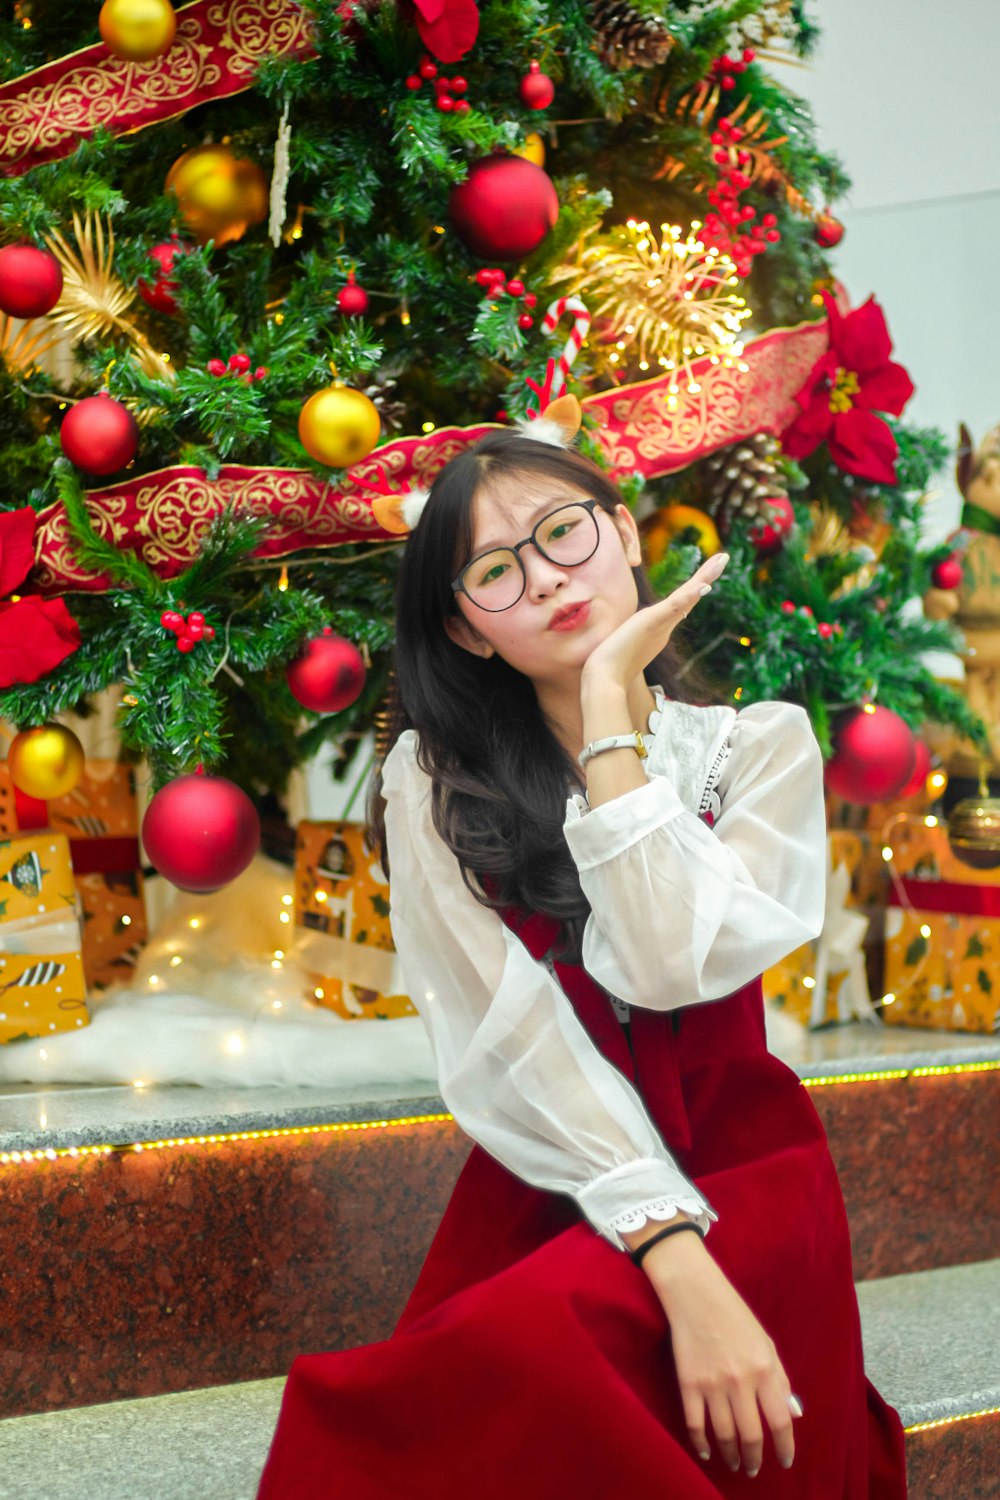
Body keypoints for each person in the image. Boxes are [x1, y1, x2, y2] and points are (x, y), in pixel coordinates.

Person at [258, 411, 908, 1498]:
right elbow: (507, 1032)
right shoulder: (433, 780)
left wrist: (609, 709)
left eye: (564, 533)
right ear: (466, 630)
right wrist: (667, 1249)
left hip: (748, 1165)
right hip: (562, 1168)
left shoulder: (761, 749)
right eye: (496, 572)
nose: (548, 580)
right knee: (445, 1392)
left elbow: (662, 967)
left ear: (624, 531)